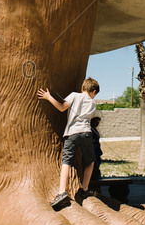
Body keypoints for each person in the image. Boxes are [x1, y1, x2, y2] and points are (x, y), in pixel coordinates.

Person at [38, 77, 100, 209]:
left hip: (71, 133)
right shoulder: (93, 104)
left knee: (66, 162)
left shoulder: (74, 95)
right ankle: (84, 189)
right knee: (90, 162)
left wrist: (48, 97)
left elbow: (61, 108)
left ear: (83, 88)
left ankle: (62, 193)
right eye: (95, 94)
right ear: (93, 91)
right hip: (86, 133)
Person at [90, 116, 103, 181]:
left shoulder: (95, 129)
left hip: (97, 147)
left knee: (98, 161)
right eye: (96, 122)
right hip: (93, 147)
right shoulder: (91, 129)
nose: (97, 123)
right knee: (96, 161)